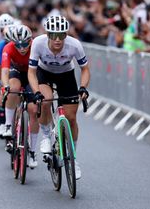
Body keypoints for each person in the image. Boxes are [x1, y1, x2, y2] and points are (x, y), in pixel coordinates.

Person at [28, 15, 90, 179]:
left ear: (66, 35)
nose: (57, 39)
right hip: (44, 74)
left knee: (71, 118)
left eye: (62, 35)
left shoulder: (74, 45)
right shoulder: (38, 43)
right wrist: (36, 92)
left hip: (66, 75)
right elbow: (31, 72)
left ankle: (73, 159)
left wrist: (83, 87)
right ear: (47, 34)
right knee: (46, 100)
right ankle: (47, 136)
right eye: (53, 35)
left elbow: (85, 69)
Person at [1, 25, 39, 168]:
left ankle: (33, 152)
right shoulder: (8, 48)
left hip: (32, 75)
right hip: (15, 72)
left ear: (31, 41)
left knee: (34, 110)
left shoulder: (36, 45)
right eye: (18, 44)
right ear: (13, 43)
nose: (22, 48)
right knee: (13, 89)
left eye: (25, 44)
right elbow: (5, 72)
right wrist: (5, 86)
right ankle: (8, 125)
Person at [0, 25, 15, 138]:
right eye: (8, 41)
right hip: (6, 68)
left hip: (19, 69)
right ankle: (2, 123)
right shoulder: (2, 45)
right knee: (3, 90)